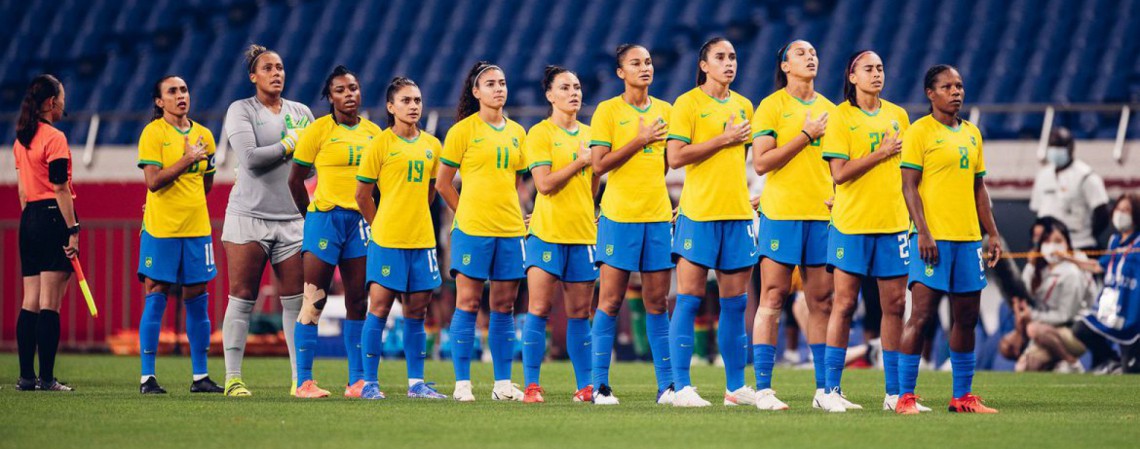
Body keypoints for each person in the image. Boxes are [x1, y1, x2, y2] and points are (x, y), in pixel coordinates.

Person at [817, 50, 922, 412]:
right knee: (844, 304)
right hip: (851, 224)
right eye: (868, 69)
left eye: (880, 68)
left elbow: (908, 171)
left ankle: (894, 394)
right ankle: (829, 391)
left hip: (893, 223)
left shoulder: (899, 115)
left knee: (895, 306)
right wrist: (881, 152)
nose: (877, 74)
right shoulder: (840, 117)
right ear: (852, 76)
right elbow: (839, 174)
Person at [897, 64, 1002, 414]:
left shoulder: (972, 133)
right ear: (930, 93)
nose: (956, 91)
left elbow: (979, 188)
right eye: (947, 86)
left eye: (959, 86)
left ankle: (962, 397)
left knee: (967, 318)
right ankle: (905, 397)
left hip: (968, 240)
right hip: (932, 240)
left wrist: (993, 233)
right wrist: (923, 231)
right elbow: (909, 187)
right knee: (921, 317)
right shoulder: (919, 132)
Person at [665, 37, 756, 408]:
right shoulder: (687, 103)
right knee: (688, 300)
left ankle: (735, 388)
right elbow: (675, 157)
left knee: (735, 304)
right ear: (703, 65)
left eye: (733, 56)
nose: (729, 62)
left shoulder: (744, 105)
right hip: (699, 213)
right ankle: (682, 387)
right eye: (720, 57)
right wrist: (724, 138)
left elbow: (739, 161)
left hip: (736, 214)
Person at [220, 45, 314, 397]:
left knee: (295, 301)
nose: (276, 73)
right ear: (253, 76)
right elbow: (250, 159)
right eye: (268, 68)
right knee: (242, 296)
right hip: (249, 216)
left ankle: (299, 380)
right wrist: (290, 145)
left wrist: (303, 154)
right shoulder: (240, 110)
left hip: (291, 219)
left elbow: (311, 167)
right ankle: (233, 378)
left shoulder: (301, 112)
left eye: (280, 67)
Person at [750, 39, 836, 411]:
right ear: (785, 66)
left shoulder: (832, 110)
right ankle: (764, 390)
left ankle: (825, 391)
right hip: (781, 213)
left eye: (814, 52)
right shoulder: (771, 106)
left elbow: (839, 166)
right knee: (773, 297)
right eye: (800, 53)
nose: (810, 56)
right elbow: (761, 163)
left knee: (822, 302)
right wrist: (806, 136)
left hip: (822, 215)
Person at [286, 65, 382, 399]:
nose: (349, 94)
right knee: (314, 298)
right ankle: (304, 382)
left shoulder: (374, 133)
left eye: (353, 88)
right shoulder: (318, 130)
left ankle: (357, 381)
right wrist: (311, 218)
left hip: (359, 223)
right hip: (324, 220)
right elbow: (295, 180)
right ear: (329, 97)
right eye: (340, 90)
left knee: (358, 300)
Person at [437, 61, 529, 402]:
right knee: (468, 302)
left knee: (504, 306)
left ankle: (502, 384)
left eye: (502, 82)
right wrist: (466, 212)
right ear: (476, 91)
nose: (498, 88)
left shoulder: (518, 132)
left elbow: (515, 181)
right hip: (472, 230)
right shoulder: (462, 131)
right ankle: (462, 384)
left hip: (510, 230)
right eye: (490, 83)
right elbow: (443, 184)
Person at [589, 43, 675, 406]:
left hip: (656, 217)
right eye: (636, 63)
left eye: (649, 62)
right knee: (610, 300)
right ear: (620, 72)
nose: (645, 68)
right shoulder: (608, 111)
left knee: (658, 303)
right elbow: (598, 165)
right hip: (619, 217)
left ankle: (667, 387)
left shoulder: (666, 110)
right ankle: (599, 386)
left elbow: (665, 165)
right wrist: (639, 141)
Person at [355, 77, 448, 400]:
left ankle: (416, 383)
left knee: (417, 313)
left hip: (422, 241)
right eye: (406, 101)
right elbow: (362, 195)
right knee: (379, 309)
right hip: (387, 241)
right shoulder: (379, 144)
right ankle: (369, 383)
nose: (413, 106)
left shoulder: (433, 145)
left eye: (417, 100)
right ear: (391, 107)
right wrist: (380, 224)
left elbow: (431, 192)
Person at [135, 75, 221, 394]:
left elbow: (207, 181)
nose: (181, 95)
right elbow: (153, 182)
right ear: (160, 102)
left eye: (184, 89)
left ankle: (200, 376)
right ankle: (147, 377)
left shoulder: (205, 135)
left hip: (197, 228)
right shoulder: (153, 133)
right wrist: (187, 159)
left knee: (197, 297)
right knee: (156, 292)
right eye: (172, 91)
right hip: (162, 229)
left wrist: (190, 194)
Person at [520, 66, 599, 403]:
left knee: (580, 313)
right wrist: (580, 162)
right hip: (547, 233)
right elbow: (544, 184)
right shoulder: (539, 133)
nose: (573, 93)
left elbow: (594, 184)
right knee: (538, 309)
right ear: (550, 95)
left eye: (577, 87)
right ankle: (532, 386)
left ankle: (585, 387)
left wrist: (587, 208)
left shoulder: (592, 134)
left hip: (582, 235)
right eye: (565, 87)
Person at [13, 74, 76, 392]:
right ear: (52, 102)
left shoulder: (20, 140)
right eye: (62, 98)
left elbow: (23, 192)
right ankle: (47, 379)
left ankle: (27, 377)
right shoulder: (55, 138)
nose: (64, 103)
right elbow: (60, 187)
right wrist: (73, 229)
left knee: (30, 301)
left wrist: (32, 219)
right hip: (53, 217)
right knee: (50, 303)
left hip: (29, 219)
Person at [1000, 218, 1095, 372]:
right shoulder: (1038, 270)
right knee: (1021, 365)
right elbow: (1025, 297)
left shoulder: (1072, 272)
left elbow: (1065, 316)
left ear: (1067, 243)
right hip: (1046, 331)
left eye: (1058, 241)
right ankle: (1057, 364)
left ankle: (1071, 362)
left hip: (1073, 331)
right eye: (1047, 241)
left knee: (1033, 329)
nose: (1052, 246)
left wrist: (1032, 316)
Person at [1082, 193, 1140, 373]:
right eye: (1119, 209)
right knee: (1083, 328)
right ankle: (1110, 361)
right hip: (1115, 306)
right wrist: (1067, 258)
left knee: (1132, 369)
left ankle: (1118, 365)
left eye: (1126, 210)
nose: (1121, 214)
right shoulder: (1115, 242)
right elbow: (1098, 266)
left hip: (1134, 309)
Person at [1029, 127, 1111, 251]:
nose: (1055, 150)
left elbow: (1102, 212)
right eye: (1052, 146)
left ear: (1070, 148)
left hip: (1080, 243)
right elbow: (1037, 210)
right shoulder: (1043, 175)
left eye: (1060, 146)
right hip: (1049, 246)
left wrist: (1087, 235)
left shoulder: (1085, 175)